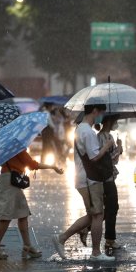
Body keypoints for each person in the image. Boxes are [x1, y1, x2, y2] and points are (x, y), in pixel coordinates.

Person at [52, 104, 115, 261]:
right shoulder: (87, 131)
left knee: (93, 214)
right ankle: (95, 253)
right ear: (95, 111)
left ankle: (62, 238)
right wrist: (106, 146)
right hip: (90, 178)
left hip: (84, 177)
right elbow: (94, 157)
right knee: (98, 214)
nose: (102, 117)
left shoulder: (81, 128)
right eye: (101, 113)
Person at [0, 150, 63, 259]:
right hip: (10, 181)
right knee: (6, 215)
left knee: (23, 214)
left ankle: (27, 246)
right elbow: (32, 164)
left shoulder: (6, 145)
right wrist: (52, 166)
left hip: (12, 179)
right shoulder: (15, 146)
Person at [97, 115, 123, 254]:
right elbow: (107, 159)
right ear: (108, 122)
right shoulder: (103, 137)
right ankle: (110, 239)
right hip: (106, 178)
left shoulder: (108, 136)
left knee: (111, 207)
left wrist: (119, 147)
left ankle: (88, 228)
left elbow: (115, 160)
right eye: (115, 121)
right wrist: (118, 148)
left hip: (110, 176)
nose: (116, 124)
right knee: (112, 207)